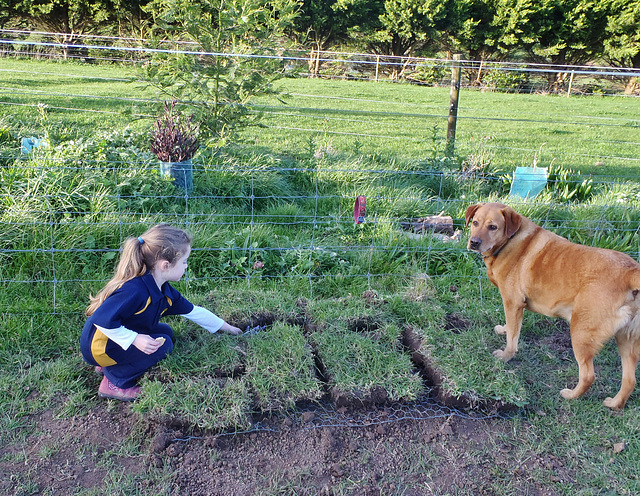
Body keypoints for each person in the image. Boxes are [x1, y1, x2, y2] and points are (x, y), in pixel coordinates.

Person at [80, 223, 241, 401]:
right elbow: (100, 319)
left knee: (166, 332)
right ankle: (114, 381)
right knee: (163, 347)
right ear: (165, 265)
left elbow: (195, 312)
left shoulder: (164, 291)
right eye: (184, 262)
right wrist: (135, 339)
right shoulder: (135, 290)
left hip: (112, 339)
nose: (186, 266)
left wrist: (230, 328)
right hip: (98, 346)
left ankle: (113, 364)